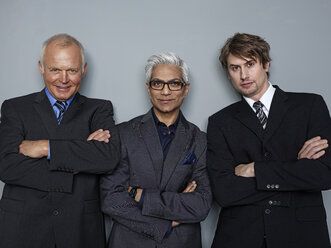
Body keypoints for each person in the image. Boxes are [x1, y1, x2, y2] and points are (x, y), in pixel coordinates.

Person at [207, 33, 331, 248]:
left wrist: (255, 169)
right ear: (228, 74)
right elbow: (225, 192)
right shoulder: (220, 122)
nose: (244, 75)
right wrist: (296, 168)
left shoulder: (310, 106)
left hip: (302, 235)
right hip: (241, 237)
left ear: (265, 64)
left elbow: (323, 175)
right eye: (235, 68)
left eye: (250, 64)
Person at [0, 33, 120, 248]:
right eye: (55, 69)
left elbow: (107, 157)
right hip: (23, 228)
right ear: (41, 68)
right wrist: (77, 164)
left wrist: (46, 147)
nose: (63, 79)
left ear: (83, 70)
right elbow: (7, 166)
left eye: (72, 70)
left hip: (80, 229)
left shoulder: (99, 109)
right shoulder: (15, 108)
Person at [100, 52, 212, 248]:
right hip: (129, 242)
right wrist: (165, 224)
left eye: (174, 83)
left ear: (185, 89)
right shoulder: (123, 133)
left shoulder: (200, 139)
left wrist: (140, 195)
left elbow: (201, 204)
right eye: (158, 83)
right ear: (148, 88)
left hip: (182, 243)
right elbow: (111, 199)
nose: (165, 92)